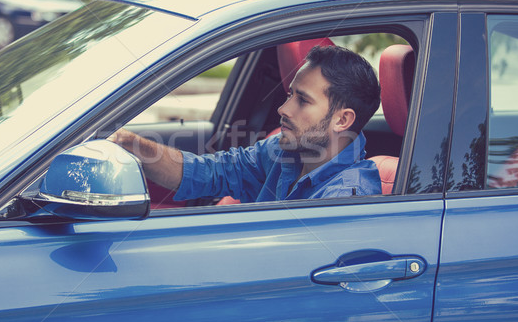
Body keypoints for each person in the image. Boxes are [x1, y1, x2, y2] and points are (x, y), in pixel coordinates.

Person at [108, 45, 382, 203]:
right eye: (289, 95)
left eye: (302, 100)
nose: (283, 109)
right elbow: (212, 172)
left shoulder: (347, 196)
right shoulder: (282, 152)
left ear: (342, 119)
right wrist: (130, 144)